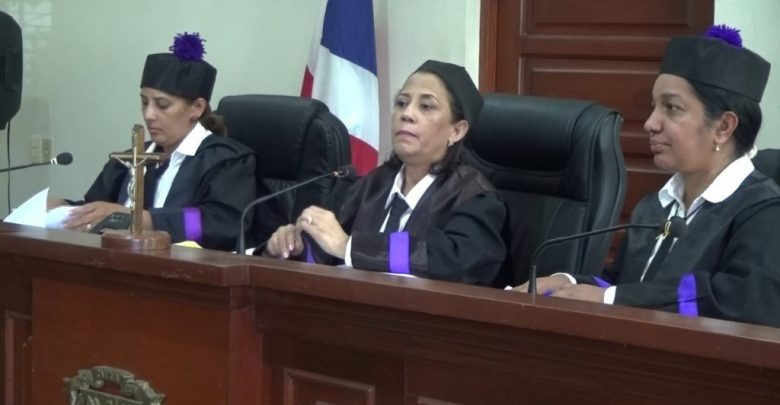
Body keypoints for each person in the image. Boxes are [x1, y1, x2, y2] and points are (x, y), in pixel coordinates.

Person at [515, 25, 780, 327]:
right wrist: (568, 282)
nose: (650, 123)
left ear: (723, 127)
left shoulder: (764, 212)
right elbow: (628, 287)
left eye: (672, 108)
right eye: (654, 107)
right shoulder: (654, 207)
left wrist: (611, 298)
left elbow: (742, 301)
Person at [265, 60, 507, 286]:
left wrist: (349, 246)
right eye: (401, 103)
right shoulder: (369, 185)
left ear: (456, 131)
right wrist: (297, 247)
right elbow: (327, 251)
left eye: (426, 106)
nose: (407, 114)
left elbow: (456, 262)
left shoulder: (474, 197)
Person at [58, 32, 256, 251]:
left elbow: (220, 224)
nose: (149, 114)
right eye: (144, 103)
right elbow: (100, 211)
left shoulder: (226, 161)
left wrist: (142, 219)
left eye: (162, 105)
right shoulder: (129, 159)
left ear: (197, 108)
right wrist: (64, 209)